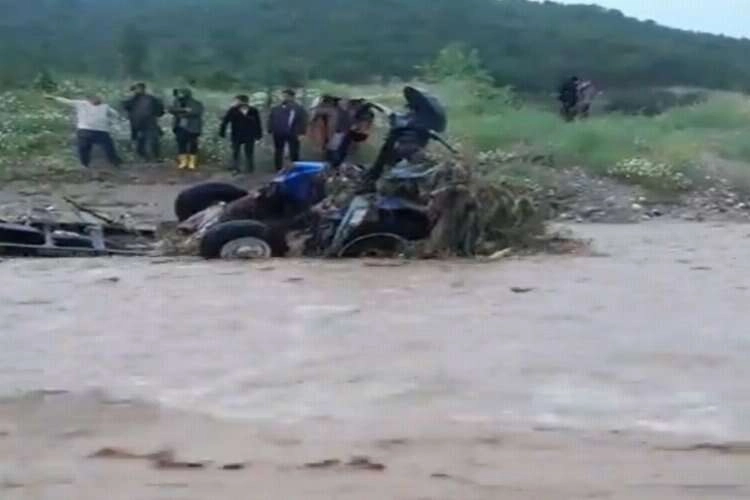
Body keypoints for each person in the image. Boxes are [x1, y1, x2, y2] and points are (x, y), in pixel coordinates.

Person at [45, 94, 121, 168]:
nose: (98, 101)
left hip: (100, 130)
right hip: (87, 130)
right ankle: (85, 164)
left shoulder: (105, 107)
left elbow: (115, 114)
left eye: (100, 99)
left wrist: (111, 122)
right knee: (85, 148)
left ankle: (115, 162)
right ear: (90, 99)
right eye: (97, 99)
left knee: (108, 147)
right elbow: (66, 101)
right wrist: (54, 98)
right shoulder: (81, 104)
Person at [219, 95, 263, 173]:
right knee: (236, 152)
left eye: (236, 100)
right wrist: (222, 132)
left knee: (249, 152)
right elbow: (225, 121)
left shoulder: (253, 110)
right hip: (237, 134)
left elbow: (258, 123)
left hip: (249, 135)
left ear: (242, 101)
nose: (235, 102)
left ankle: (249, 168)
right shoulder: (233, 110)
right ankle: (236, 167)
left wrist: (258, 134)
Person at [122, 82, 165, 161]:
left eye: (138, 89)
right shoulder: (133, 99)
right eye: (136, 89)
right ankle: (146, 157)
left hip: (149, 123)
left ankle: (156, 157)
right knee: (141, 142)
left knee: (152, 141)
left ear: (143, 89)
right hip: (137, 124)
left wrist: (156, 114)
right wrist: (128, 94)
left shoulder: (151, 99)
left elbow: (160, 110)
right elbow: (125, 106)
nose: (137, 90)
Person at [267, 89, 308, 170]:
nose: (283, 98)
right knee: (278, 150)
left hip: (293, 132)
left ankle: (295, 167)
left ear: (292, 97)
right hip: (279, 132)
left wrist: (302, 133)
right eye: (283, 96)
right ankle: (278, 168)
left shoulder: (299, 108)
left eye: (286, 96)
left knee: (294, 151)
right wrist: (270, 128)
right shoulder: (276, 108)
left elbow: (303, 121)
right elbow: (271, 118)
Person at [169, 88, 204, 170]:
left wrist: (180, 112)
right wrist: (184, 110)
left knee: (193, 145)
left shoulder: (196, 103)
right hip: (180, 127)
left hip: (193, 127)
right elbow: (171, 109)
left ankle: (192, 162)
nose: (179, 95)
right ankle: (183, 162)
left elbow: (196, 112)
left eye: (181, 94)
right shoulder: (176, 102)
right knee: (181, 144)